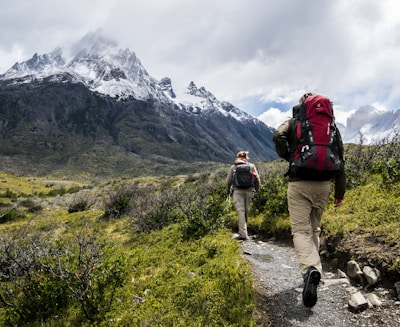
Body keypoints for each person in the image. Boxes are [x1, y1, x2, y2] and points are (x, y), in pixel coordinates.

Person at [273, 93, 346, 308]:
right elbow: (340, 158)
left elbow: (278, 135)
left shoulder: (296, 122)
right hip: (324, 185)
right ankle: (314, 269)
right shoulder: (330, 126)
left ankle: (310, 270)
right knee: (314, 229)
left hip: (299, 183)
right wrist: (339, 192)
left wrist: (289, 156)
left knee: (300, 231)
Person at [226, 151, 260, 240]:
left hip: (237, 191)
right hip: (249, 191)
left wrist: (227, 192)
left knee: (240, 211)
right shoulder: (251, 166)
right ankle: (244, 231)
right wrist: (257, 190)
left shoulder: (233, 167)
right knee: (246, 211)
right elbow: (257, 179)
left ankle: (243, 234)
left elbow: (228, 182)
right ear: (246, 158)